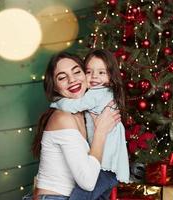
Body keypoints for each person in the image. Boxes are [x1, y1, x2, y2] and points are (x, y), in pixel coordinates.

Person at [31, 52, 121, 200]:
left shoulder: (84, 114)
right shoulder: (62, 118)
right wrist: (101, 132)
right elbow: (88, 183)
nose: (72, 80)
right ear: (55, 87)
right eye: (62, 77)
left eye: (77, 72)